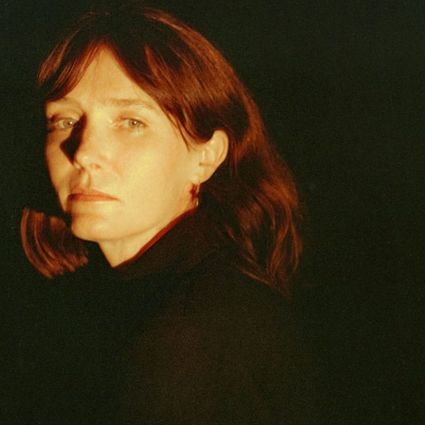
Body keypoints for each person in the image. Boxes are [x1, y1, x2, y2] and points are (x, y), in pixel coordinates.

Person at [15, 3, 315, 424]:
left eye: (131, 122)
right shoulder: (105, 304)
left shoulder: (194, 334)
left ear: (205, 157)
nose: (83, 152)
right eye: (64, 120)